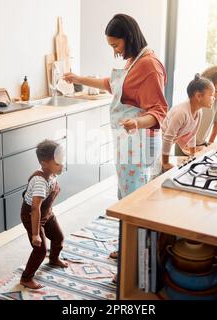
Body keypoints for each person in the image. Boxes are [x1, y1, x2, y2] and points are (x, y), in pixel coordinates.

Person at [64, 13, 168, 271]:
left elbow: (159, 111)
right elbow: (111, 84)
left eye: (116, 45)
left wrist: (136, 123)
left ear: (129, 37)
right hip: (126, 139)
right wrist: (78, 79)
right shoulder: (134, 60)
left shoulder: (149, 65)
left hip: (139, 140)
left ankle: (135, 261)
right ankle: (127, 246)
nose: (114, 51)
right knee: (125, 194)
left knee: (135, 199)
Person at [20, 139, 68, 290]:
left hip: (46, 213)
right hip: (32, 216)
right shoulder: (40, 181)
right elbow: (35, 209)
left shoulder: (52, 172)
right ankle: (26, 278)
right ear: (44, 164)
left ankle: (53, 259)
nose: (62, 166)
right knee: (40, 249)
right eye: (58, 163)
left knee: (58, 237)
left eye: (62, 161)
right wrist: (35, 234)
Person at [161, 74, 215, 172]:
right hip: (156, 143)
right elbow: (167, 137)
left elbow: (192, 134)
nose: (213, 98)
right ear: (198, 96)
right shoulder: (181, 112)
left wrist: (192, 155)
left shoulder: (199, 111)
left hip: (165, 144)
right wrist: (165, 163)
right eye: (211, 95)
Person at [182, 66, 217, 155]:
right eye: (216, 91)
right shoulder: (196, 98)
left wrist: (211, 142)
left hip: (201, 144)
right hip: (184, 143)